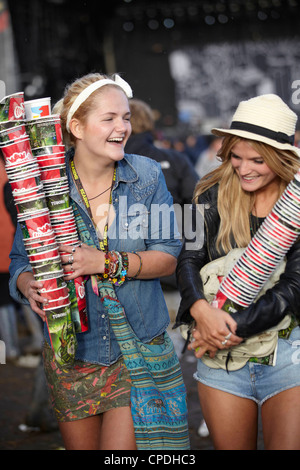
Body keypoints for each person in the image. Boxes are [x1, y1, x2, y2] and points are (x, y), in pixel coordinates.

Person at [9, 73, 186, 450]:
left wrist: (104, 262)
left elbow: (168, 256)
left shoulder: (146, 176)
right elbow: (20, 261)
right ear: (76, 126)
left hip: (135, 345)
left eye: (125, 117)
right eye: (109, 118)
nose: (123, 127)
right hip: (72, 351)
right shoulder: (42, 187)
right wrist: (29, 286)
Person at [175, 94, 300, 450]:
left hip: (287, 355)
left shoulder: (298, 203)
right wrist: (201, 311)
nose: (244, 169)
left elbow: (294, 286)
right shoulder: (206, 193)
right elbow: (187, 260)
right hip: (220, 362)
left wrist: (228, 327)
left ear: (282, 158)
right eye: (236, 156)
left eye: (258, 160)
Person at [125, 98, 198, 293]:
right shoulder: (174, 159)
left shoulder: (106, 165)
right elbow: (199, 206)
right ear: (149, 124)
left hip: (124, 278)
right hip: (174, 274)